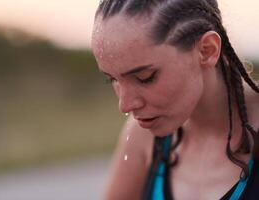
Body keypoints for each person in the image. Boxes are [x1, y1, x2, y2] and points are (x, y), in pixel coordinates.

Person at [91, 0, 259, 199]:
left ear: (207, 50)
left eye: (145, 77)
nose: (125, 105)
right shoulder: (143, 137)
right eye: (112, 79)